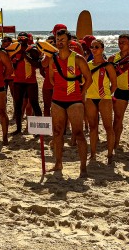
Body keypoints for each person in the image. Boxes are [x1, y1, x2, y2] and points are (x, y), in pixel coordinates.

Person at [46, 29, 92, 177]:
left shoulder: (78, 58)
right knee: (58, 132)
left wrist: (81, 92)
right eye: (57, 40)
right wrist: (60, 88)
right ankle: (58, 163)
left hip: (74, 101)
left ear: (69, 41)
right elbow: (51, 78)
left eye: (62, 40)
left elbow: (88, 79)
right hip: (57, 100)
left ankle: (83, 167)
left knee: (78, 133)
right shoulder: (53, 58)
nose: (59, 42)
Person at [84, 39, 117, 163]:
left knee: (108, 127)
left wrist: (107, 94)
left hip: (104, 99)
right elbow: (85, 81)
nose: (93, 49)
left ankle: (109, 154)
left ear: (102, 49)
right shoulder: (88, 64)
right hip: (91, 98)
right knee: (93, 128)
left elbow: (114, 84)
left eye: (96, 47)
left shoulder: (108, 65)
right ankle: (93, 154)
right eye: (92, 47)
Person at [10, 32, 42, 135]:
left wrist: (25, 56)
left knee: (34, 104)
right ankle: (18, 128)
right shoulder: (14, 50)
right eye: (19, 38)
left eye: (23, 39)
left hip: (30, 81)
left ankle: (38, 130)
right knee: (18, 105)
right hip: (18, 81)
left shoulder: (32, 50)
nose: (21, 40)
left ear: (27, 40)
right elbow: (11, 65)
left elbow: (37, 64)